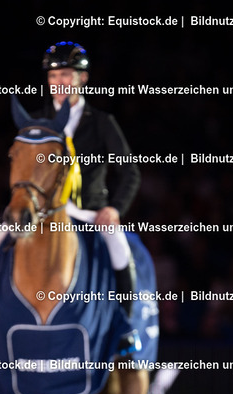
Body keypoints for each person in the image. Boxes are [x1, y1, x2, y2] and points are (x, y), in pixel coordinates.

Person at [38, 41, 141, 324]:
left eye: (65, 75)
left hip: (90, 212)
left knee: (120, 250)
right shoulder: (37, 123)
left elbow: (130, 172)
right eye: (53, 76)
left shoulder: (101, 122)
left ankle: (124, 325)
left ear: (82, 78)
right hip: (45, 213)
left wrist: (114, 209)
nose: (58, 82)